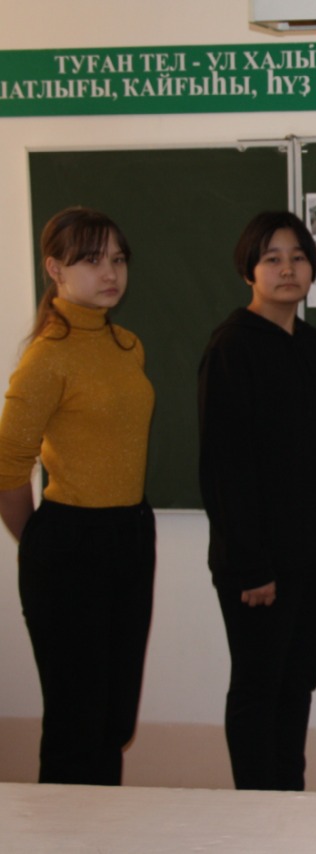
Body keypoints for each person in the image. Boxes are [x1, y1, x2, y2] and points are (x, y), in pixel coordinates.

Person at [198, 210, 316, 791]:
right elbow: (225, 469)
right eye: (272, 258)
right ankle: (256, 814)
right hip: (260, 568)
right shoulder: (232, 348)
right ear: (249, 269)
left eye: (298, 257)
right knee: (258, 688)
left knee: (297, 685)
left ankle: (288, 806)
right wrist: (251, 565)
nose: (287, 269)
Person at [0, 207, 155, 785]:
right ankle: (63, 831)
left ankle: (101, 829)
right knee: (75, 725)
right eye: (91, 260)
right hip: (70, 542)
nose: (109, 273)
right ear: (55, 269)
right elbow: (7, 465)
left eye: (117, 259)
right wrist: (42, 544)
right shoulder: (47, 356)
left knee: (114, 720)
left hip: (131, 535)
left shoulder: (127, 345)